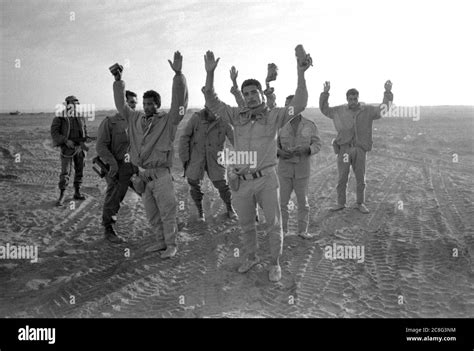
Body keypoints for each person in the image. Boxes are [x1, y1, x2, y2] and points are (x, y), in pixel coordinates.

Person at [202, 48, 312, 282]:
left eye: (254, 92)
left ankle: (275, 263)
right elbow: (211, 100)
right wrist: (210, 74)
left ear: (262, 95)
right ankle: (251, 257)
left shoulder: (274, 116)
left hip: (266, 180)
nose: (250, 96)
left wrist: (301, 73)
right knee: (246, 225)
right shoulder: (235, 115)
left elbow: (300, 103)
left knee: (273, 224)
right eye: (246, 93)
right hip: (241, 182)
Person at [111, 51, 188, 259]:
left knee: (167, 212)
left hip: (162, 175)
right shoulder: (135, 119)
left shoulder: (167, 121)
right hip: (143, 176)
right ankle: (160, 241)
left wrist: (178, 75)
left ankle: (172, 244)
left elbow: (180, 105)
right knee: (152, 214)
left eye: (151, 104)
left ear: (158, 104)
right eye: (144, 104)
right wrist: (119, 81)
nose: (146, 107)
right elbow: (121, 105)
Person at [319, 80, 393, 214]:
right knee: (342, 177)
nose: (353, 101)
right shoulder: (340, 110)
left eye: (355, 98)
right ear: (347, 99)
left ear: (358, 98)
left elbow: (383, 109)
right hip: (344, 150)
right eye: (350, 99)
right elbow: (325, 110)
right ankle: (341, 203)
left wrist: (387, 92)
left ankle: (360, 203)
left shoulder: (368, 110)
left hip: (359, 150)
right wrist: (325, 93)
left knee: (360, 178)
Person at [179, 106, 236, 222]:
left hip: (216, 158)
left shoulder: (224, 120)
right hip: (196, 157)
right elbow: (184, 137)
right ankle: (200, 212)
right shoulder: (196, 118)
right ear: (206, 108)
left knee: (222, 184)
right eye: (212, 109)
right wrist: (185, 157)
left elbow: (235, 139)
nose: (215, 113)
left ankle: (230, 208)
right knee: (194, 184)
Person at [96, 90, 138, 243]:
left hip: (134, 166)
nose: (134, 105)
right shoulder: (110, 122)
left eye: (135, 103)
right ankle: (109, 229)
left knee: (150, 191)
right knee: (114, 197)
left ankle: (165, 224)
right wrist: (112, 164)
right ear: (123, 103)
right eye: (131, 102)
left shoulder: (138, 122)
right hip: (116, 168)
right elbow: (101, 146)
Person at [278, 94, 321, 238]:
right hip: (284, 170)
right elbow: (272, 146)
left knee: (303, 202)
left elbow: (317, 144)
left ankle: (303, 230)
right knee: (282, 202)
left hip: (302, 170)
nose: (289, 109)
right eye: (286, 105)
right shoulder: (279, 126)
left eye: (291, 105)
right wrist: (280, 153)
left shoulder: (309, 124)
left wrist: (307, 149)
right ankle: (283, 230)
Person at [51, 95, 89, 206]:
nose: (75, 106)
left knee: (80, 170)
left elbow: (84, 130)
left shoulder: (80, 116)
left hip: (79, 148)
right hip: (67, 149)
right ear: (67, 104)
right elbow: (54, 133)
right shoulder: (60, 117)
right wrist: (65, 141)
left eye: (76, 104)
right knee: (65, 172)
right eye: (73, 103)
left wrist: (84, 141)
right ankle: (62, 195)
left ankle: (77, 192)